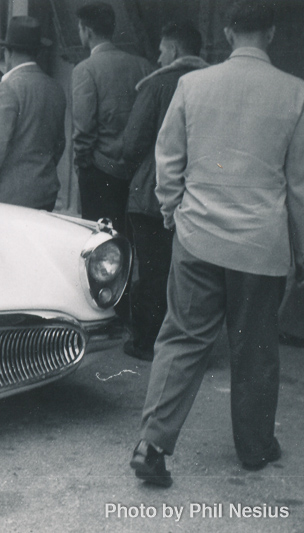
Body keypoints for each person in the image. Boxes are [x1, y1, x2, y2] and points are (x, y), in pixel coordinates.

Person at [130, 0, 304, 488]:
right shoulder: (295, 93)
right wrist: (299, 247)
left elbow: (169, 158)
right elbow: (298, 186)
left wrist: (171, 210)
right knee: (255, 348)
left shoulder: (192, 84)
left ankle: (153, 443)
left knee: (182, 337)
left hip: (197, 235)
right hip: (260, 245)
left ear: (227, 33)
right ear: (269, 32)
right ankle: (254, 448)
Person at [120, 21, 208, 361]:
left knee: (153, 270)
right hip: (198, 193)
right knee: (188, 272)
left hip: (152, 193)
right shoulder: (208, 83)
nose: (157, 58)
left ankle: (147, 342)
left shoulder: (157, 85)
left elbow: (131, 145)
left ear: (172, 49)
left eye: (160, 50)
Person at [72, 2, 152, 234]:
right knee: (127, 238)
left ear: (87, 31)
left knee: (100, 241)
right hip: (135, 172)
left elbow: (84, 128)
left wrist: (82, 166)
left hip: (98, 170)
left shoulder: (84, 69)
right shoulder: (142, 65)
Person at [0, 17, 65, 211]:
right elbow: (59, 144)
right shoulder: (55, 88)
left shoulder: (6, 88)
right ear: (38, 52)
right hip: (45, 190)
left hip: (9, 196)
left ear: (7, 53)